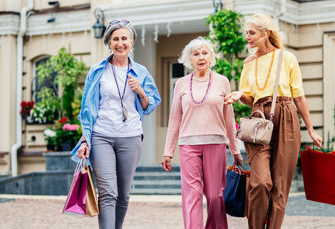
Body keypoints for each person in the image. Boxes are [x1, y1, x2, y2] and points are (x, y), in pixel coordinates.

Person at [224, 13, 323, 229]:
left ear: (265, 33)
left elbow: (299, 96)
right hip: (259, 120)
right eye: (246, 33)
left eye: (251, 33)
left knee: (280, 187)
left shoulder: (286, 58)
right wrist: (239, 95)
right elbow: (251, 100)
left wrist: (311, 130)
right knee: (260, 182)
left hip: (287, 116)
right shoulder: (249, 62)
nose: (247, 37)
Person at [71, 19, 161, 229]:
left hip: (130, 136)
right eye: (115, 39)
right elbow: (87, 109)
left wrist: (140, 91)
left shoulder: (141, 72)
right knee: (108, 192)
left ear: (131, 42)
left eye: (124, 38)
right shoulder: (97, 71)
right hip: (101, 135)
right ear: (109, 43)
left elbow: (150, 106)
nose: (120, 43)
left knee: (123, 194)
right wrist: (85, 140)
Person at [161, 37, 243, 229]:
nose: (201, 57)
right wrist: (168, 150)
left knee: (215, 196)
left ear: (211, 56)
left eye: (205, 53)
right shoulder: (181, 84)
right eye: (196, 54)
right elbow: (174, 119)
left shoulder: (222, 82)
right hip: (188, 144)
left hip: (215, 143)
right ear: (189, 59)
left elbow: (229, 118)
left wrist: (235, 148)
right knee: (192, 194)